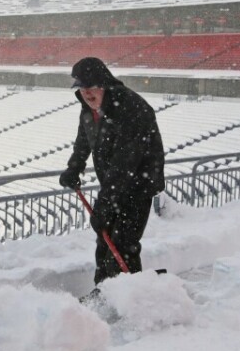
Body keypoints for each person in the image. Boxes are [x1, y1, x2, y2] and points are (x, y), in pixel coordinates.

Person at [58, 56, 165, 286]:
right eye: (81, 87)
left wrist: (104, 205)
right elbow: (84, 139)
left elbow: (125, 163)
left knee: (123, 243)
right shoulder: (89, 108)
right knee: (105, 242)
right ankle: (105, 291)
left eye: (92, 87)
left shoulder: (130, 108)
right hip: (114, 184)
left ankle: (128, 295)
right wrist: (74, 167)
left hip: (139, 184)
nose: (87, 93)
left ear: (104, 83)